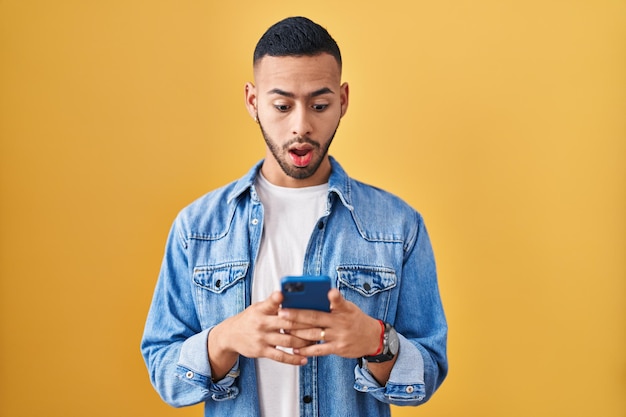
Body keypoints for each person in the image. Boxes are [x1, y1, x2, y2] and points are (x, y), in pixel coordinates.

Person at [141, 16, 447, 417]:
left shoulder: (398, 226)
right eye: (282, 106)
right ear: (253, 101)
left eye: (319, 105)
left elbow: (427, 374)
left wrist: (376, 341)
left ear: (343, 100)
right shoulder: (198, 228)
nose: (301, 126)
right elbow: (165, 374)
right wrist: (225, 339)